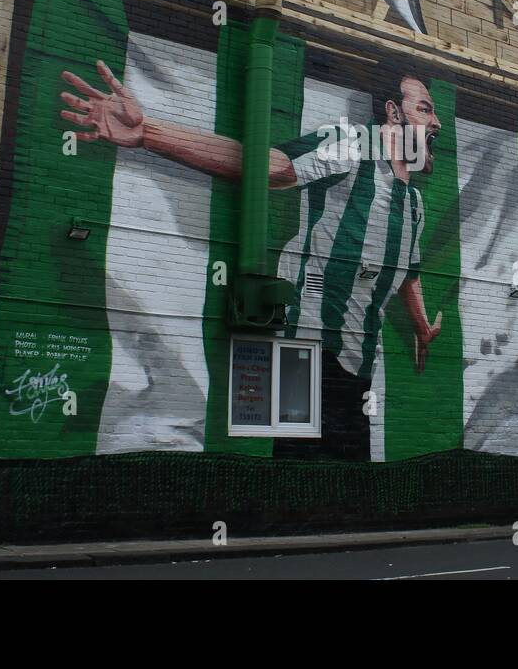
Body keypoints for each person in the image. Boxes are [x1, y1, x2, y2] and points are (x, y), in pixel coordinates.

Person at [60, 60, 445, 459]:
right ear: (393, 112)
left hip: (359, 364)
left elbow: (406, 272)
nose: (436, 122)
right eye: (424, 108)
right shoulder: (352, 146)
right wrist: (149, 132)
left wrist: (420, 326)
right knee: (299, 468)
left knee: (344, 479)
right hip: (307, 350)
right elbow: (266, 165)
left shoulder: (413, 204)